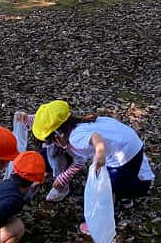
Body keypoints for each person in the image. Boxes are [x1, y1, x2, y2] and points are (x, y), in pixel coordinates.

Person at [30, 100, 153, 235]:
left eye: (52, 141)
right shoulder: (80, 123)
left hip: (122, 156)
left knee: (106, 189)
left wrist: (99, 152)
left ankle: (99, 222)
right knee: (123, 178)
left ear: (58, 135)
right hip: (131, 145)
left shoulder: (75, 137)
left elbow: (96, 137)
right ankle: (126, 194)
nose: (53, 145)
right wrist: (26, 119)